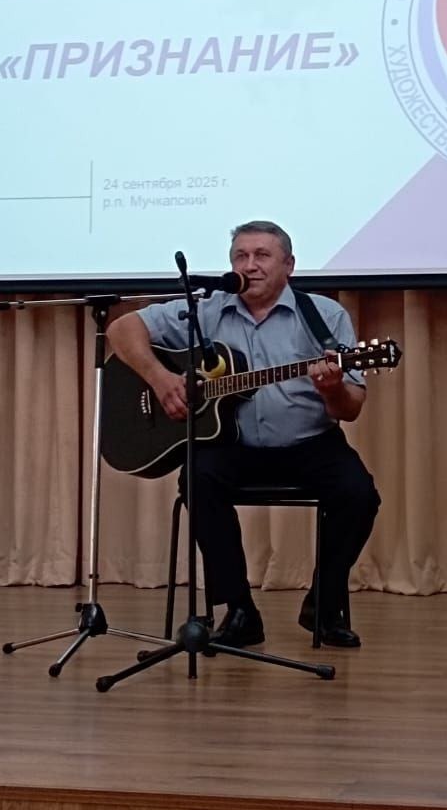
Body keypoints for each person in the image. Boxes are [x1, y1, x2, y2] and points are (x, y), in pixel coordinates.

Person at [106, 220, 380, 648]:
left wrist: (331, 389)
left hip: (310, 445)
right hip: (232, 445)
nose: (250, 265)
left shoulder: (325, 317)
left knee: (359, 494)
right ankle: (238, 610)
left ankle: (325, 605)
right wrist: (160, 379)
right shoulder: (206, 309)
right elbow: (121, 329)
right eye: (241, 256)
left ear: (289, 265)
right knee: (198, 479)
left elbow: (352, 408)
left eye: (262, 256)